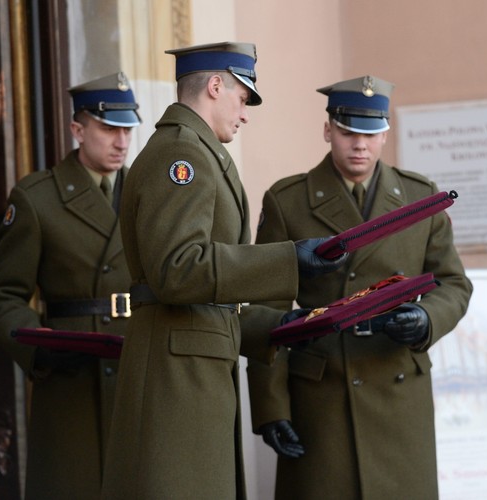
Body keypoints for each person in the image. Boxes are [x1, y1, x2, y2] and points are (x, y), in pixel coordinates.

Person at [99, 42, 345, 499]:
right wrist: (288, 259)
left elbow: (208, 292)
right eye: (242, 97)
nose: (245, 112)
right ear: (215, 85)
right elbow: (177, 270)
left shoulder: (196, 151)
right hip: (177, 374)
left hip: (193, 364)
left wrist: (276, 326)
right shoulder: (183, 156)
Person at [247, 75, 473, 499]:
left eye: (371, 133)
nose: (360, 144)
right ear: (328, 130)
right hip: (321, 394)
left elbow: (454, 284)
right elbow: (264, 309)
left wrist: (426, 317)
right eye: (349, 131)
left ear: (385, 134)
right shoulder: (288, 200)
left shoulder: (419, 197)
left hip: (398, 387)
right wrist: (270, 407)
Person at [0, 71, 141, 500]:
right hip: (70, 384)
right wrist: (39, 348)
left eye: (127, 129)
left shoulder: (149, 194)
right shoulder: (38, 199)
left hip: (139, 375)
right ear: (77, 129)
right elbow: (2, 295)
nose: (122, 142)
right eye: (109, 128)